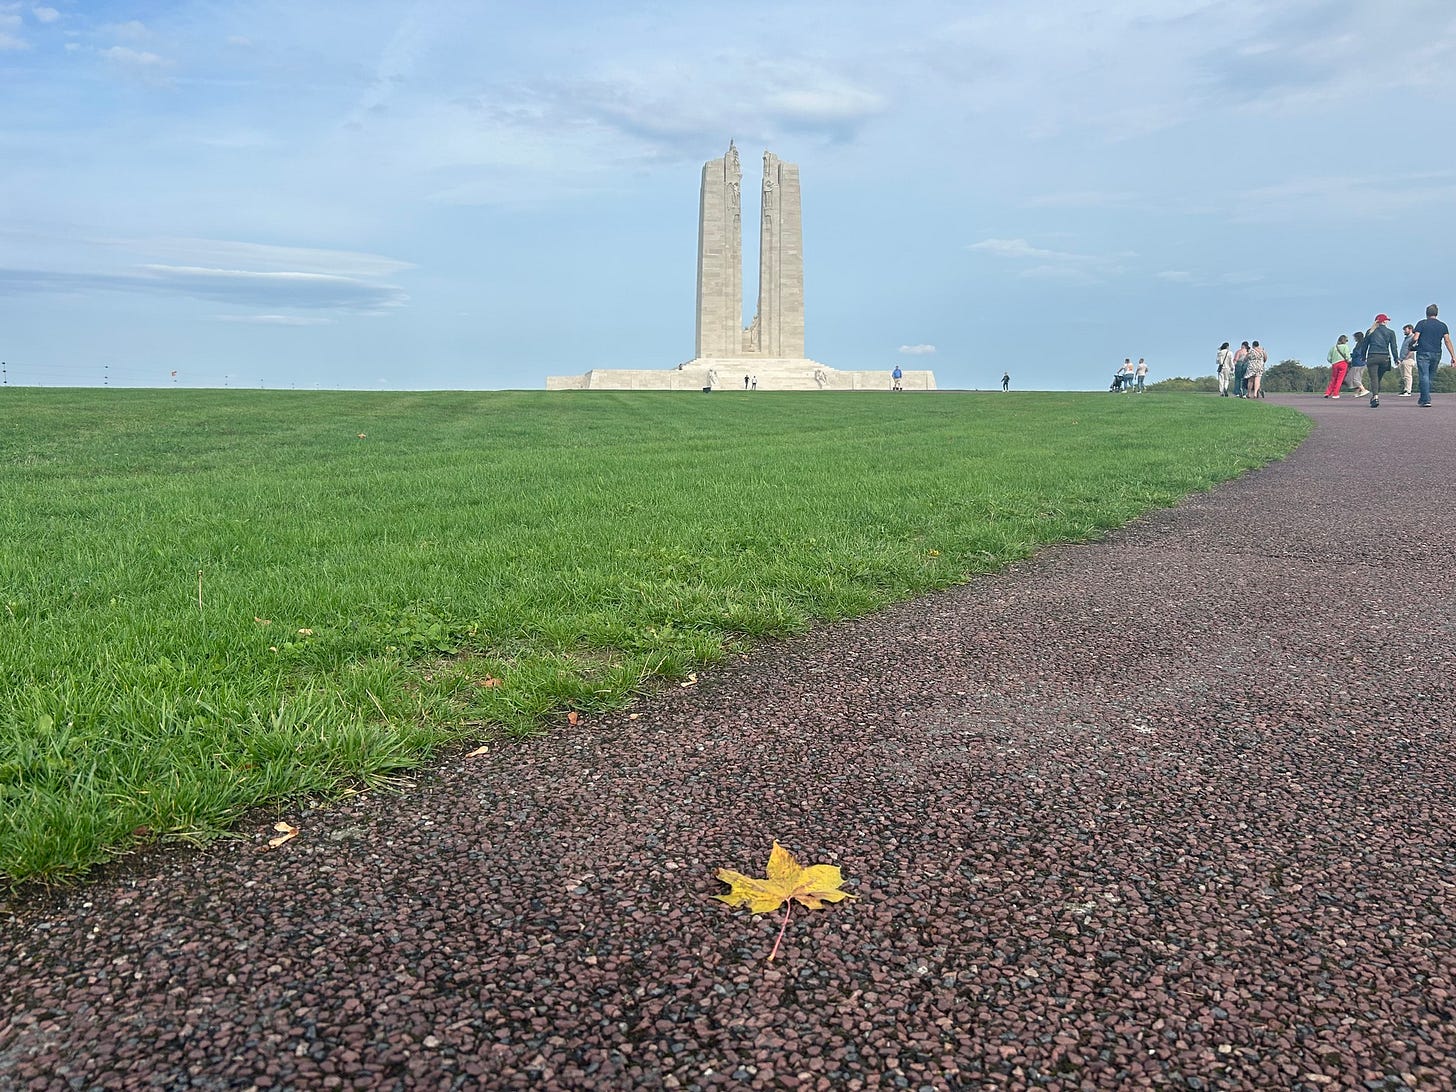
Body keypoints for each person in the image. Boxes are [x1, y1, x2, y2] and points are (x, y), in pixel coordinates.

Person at [1412, 303, 1456, 407]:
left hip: (1423, 352)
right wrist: (1453, 356)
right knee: (1430, 376)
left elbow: (1415, 338)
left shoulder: (1422, 323)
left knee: (1424, 375)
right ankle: (1424, 398)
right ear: (1436, 313)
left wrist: (1410, 345)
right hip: (1436, 353)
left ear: (1426, 313)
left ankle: (1426, 399)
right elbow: (1447, 340)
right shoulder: (1442, 325)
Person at [1361, 314, 1399, 407]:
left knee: (1374, 378)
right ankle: (1375, 395)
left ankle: (1375, 396)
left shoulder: (1370, 331)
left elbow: (1364, 346)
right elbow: (1393, 347)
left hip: (1372, 356)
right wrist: (1396, 358)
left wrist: (1363, 356)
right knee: (1378, 378)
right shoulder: (1391, 332)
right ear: (1384, 321)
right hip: (1384, 357)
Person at [1347, 331, 1370, 397]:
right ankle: (1356, 392)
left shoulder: (1361, 345)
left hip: (1358, 363)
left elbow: (1358, 353)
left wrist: (1351, 355)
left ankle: (1363, 390)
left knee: (1355, 379)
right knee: (1355, 378)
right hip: (1358, 363)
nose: (1354, 339)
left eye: (1355, 337)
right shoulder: (1360, 344)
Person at [1399, 323, 1417, 396]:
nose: (1404, 331)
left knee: (1407, 375)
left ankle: (1408, 391)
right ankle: (1405, 389)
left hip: (1408, 359)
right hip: (1403, 359)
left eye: (1405, 330)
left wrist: (1407, 357)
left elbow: (1413, 348)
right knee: (1404, 376)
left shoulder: (1413, 337)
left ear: (1410, 329)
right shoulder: (1406, 338)